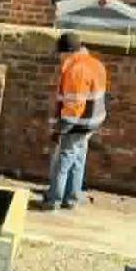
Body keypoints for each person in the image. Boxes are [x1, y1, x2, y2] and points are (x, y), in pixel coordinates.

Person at [41, 31, 108, 210]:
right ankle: (71, 198)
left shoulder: (76, 70)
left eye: (61, 54)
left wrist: (60, 129)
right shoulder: (96, 64)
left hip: (78, 123)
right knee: (78, 158)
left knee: (62, 160)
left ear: (67, 52)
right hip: (93, 121)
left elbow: (74, 105)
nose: (60, 58)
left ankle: (53, 200)